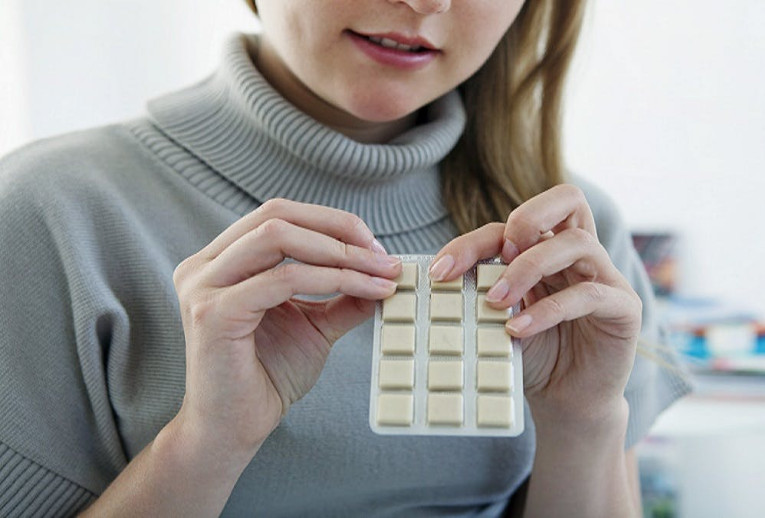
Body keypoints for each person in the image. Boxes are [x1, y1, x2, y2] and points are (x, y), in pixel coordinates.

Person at [0, 0, 691, 516]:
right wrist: (206, 440)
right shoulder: (47, 212)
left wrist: (582, 421)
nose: (425, 2)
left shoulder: (570, 240)